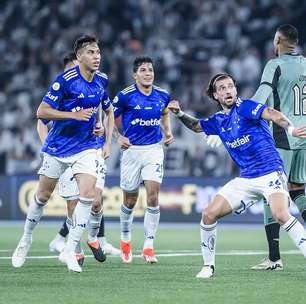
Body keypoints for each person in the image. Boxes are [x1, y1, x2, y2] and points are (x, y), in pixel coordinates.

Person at [167, 73, 306, 279]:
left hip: (270, 172)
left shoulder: (246, 107)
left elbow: (272, 113)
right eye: (222, 88)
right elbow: (197, 126)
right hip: (246, 178)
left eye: (230, 86)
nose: (228, 91)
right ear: (215, 95)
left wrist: (291, 128)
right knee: (208, 214)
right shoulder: (219, 120)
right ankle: (208, 266)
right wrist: (179, 114)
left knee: (281, 214)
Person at [12, 35, 113, 273]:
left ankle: (70, 248)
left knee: (87, 195)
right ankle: (25, 239)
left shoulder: (102, 81)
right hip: (59, 147)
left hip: (86, 147)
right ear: (79, 57)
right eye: (90, 52)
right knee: (42, 197)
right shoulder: (65, 81)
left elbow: (105, 109)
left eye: (98, 52)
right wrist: (73, 116)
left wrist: (100, 128)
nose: (96, 56)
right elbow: (42, 111)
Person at [44, 52, 119, 257]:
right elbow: (41, 120)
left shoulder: (97, 83)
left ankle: (95, 240)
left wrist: (105, 136)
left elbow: (106, 111)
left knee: (95, 199)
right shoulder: (62, 91)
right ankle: (70, 246)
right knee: (74, 203)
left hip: (91, 149)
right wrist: (48, 149)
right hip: (65, 151)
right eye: (69, 70)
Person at [250, 24, 306, 270]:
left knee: (270, 193)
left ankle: (274, 257)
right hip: (304, 139)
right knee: (297, 190)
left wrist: (239, 117)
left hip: (284, 137)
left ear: (278, 41)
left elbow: (261, 98)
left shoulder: (275, 65)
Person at [112, 56, 174, 263]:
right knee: (129, 200)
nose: (148, 73)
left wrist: (168, 132)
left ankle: (149, 246)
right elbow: (107, 116)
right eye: (143, 70)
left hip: (153, 150)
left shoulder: (162, 95)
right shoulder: (125, 96)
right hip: (131, 151)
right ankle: (125, 237)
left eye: (150, 70)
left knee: (153, 197)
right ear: (135, 75)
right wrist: (118, 136)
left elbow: (165, 112)